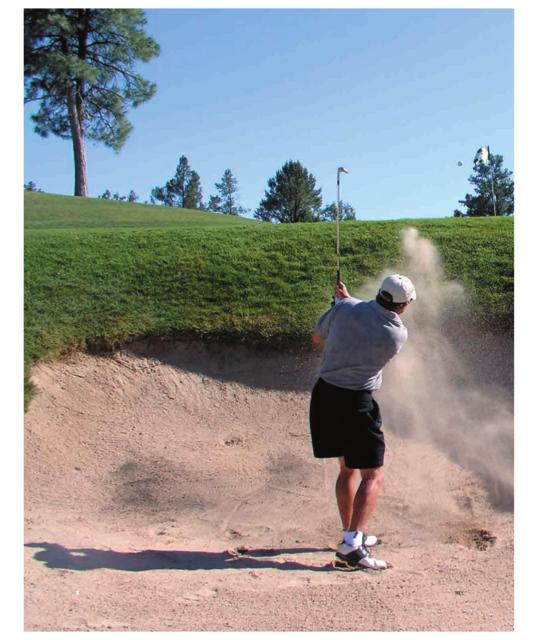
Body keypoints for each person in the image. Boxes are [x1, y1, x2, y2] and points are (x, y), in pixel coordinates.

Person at [309, 274, 416, 571]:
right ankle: (351, 546)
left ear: (380, 292)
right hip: (356, 404)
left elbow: (317, 337)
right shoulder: (396, 334)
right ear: (403, 306)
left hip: (325, 397)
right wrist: (346, 304)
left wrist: (339, 306)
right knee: (373, 475)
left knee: (347, 470)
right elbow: (368, 321)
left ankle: (350, 533)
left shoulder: (345, 310)